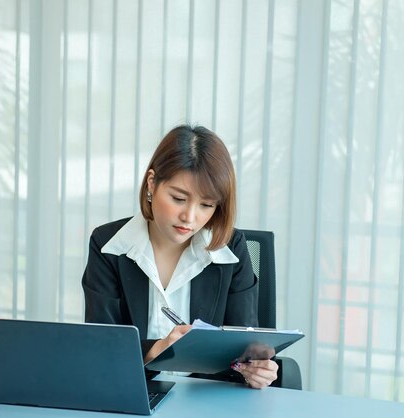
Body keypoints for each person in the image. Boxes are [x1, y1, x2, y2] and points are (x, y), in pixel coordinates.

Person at [82, 124, 278, 389]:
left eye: (206, 205)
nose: (190, 217)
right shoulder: (109, 246)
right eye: (178, 198)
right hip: (133, 392)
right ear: (152, 183)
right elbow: (100, 347)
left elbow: (243, 346)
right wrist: (157, 350)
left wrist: (255, 370)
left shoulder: (231, 249)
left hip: (208, 401)